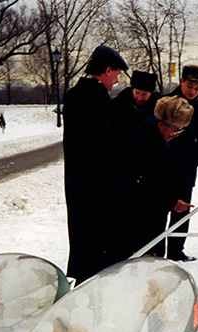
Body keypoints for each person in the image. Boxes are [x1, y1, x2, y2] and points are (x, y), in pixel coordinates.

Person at [62, 45, 129, 284]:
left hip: (78, 180)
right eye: (117, 73)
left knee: (82, 235)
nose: (118, 79)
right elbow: (108, 146)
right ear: (107, 70)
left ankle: (83, 277)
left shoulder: (73, 94)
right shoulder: (98, 98)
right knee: (100, 241)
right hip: (99, 184)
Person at [128, 95, 195, 256]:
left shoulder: (153, 132)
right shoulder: (150, 143)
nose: (177, 135)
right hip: (141, 209)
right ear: (161, 124)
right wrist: (172, 202)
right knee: (148, 251)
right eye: (175, 130)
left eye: (180, 130)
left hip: (150, 205)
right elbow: (150, 181)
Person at [162, 64, 198, 262]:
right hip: (164, 168)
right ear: (181, 81)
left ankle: (176, 251)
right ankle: (155, 254)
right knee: (159, 211)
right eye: (190, 86)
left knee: (182, 213)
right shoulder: (165, 103)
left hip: (186, 170)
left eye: (197, 89)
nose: (193, 92)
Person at [112, 70, 159, 142]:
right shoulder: (118, 104)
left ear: (151, 93)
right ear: (132, 90)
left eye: (144, 95)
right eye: (137, 93)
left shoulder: (158, 110)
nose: (139, 98)